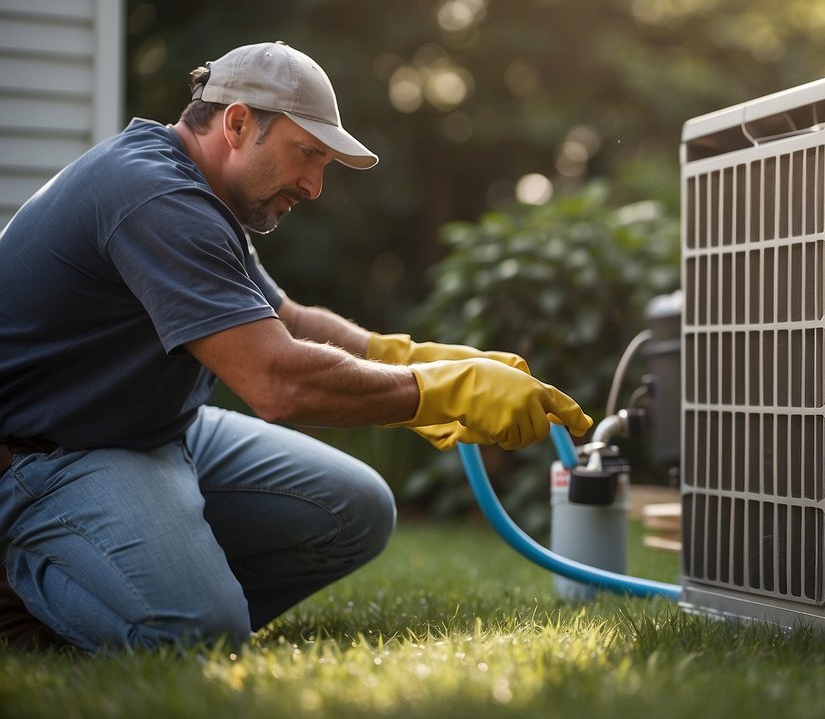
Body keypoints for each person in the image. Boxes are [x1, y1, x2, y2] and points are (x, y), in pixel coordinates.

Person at [0, 41, 593, 652]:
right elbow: (274, 380)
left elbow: (291, 320)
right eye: (306, 154)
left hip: (151, 429)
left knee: (357, 510)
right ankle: (42, 588)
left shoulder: (197, 194)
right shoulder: (153, 195)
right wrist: (439, 393)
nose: (313, 186)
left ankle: (156, 583)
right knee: (195, 635)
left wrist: (412, 358)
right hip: (49, 454)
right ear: (236, 123)